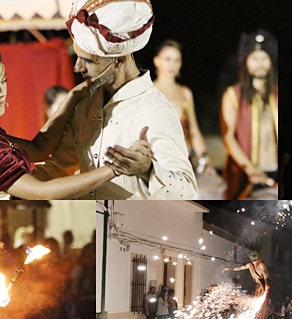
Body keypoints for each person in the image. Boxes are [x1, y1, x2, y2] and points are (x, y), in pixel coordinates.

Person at [0, 41, 143, 200]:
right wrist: (116, 168)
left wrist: (75, 95)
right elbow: (41, 192)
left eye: (3, 81)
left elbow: (39, 149)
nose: (2, 92)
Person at [55, 0, 197, 200]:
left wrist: (147, 169)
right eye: (78, 58)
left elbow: (188, 190)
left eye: (87, 60)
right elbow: (61, 166)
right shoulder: (86, 103)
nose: (77, 68)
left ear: (120, 59)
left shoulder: (155, 110)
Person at [221, 29, 278, 200]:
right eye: (255, 58)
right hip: (248, 173)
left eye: (264, 58)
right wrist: (250, 169)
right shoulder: (233, 95)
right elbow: (228, 137)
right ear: (245, 61)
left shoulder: (277, 94)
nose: (260, 63)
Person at [152, 39, 217, 177]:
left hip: (184, 160)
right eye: (167, 59)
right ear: (157, 61)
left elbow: (193, 130)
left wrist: (204, 156)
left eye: (177, 60)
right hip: (157, 162)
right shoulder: (149, 91)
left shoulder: (184, 92)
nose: (172, 65)